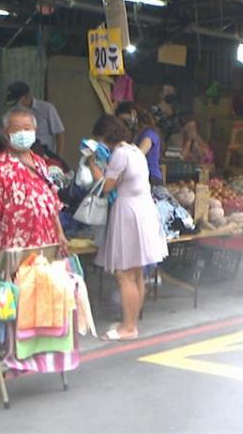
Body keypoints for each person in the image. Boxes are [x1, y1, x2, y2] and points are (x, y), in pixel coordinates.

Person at [88, 115, 168, 341]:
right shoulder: (134, 151)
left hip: (129, 213)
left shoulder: (120, 154)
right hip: (142, 210)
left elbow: (105, 187)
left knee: (124, 274)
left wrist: (92, 163)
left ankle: (129, 327)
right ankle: (132, 321)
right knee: (137, 273)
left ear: (105, 137)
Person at [0, 107, 68, 265]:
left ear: (35, 130)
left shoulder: (40, 163)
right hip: (15, 248)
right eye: (16, 129)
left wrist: (60, 233)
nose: (22, 133)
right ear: (6, 133)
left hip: (46, 245)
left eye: (27, 128)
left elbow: (52, 203)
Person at [4, 81, 66, 157]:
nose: (16, 104)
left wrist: (58, 156)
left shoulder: (47, 109)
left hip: (45, 155)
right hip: (20, 155)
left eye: (18, 100)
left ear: (25, 97)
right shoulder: (13, 113)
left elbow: (59, 133)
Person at [116, 102, 163, 185]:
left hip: (150, 178)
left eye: (124, 120)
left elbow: (139, 154)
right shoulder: (135, 134)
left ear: (133, 114)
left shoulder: (149, 134)